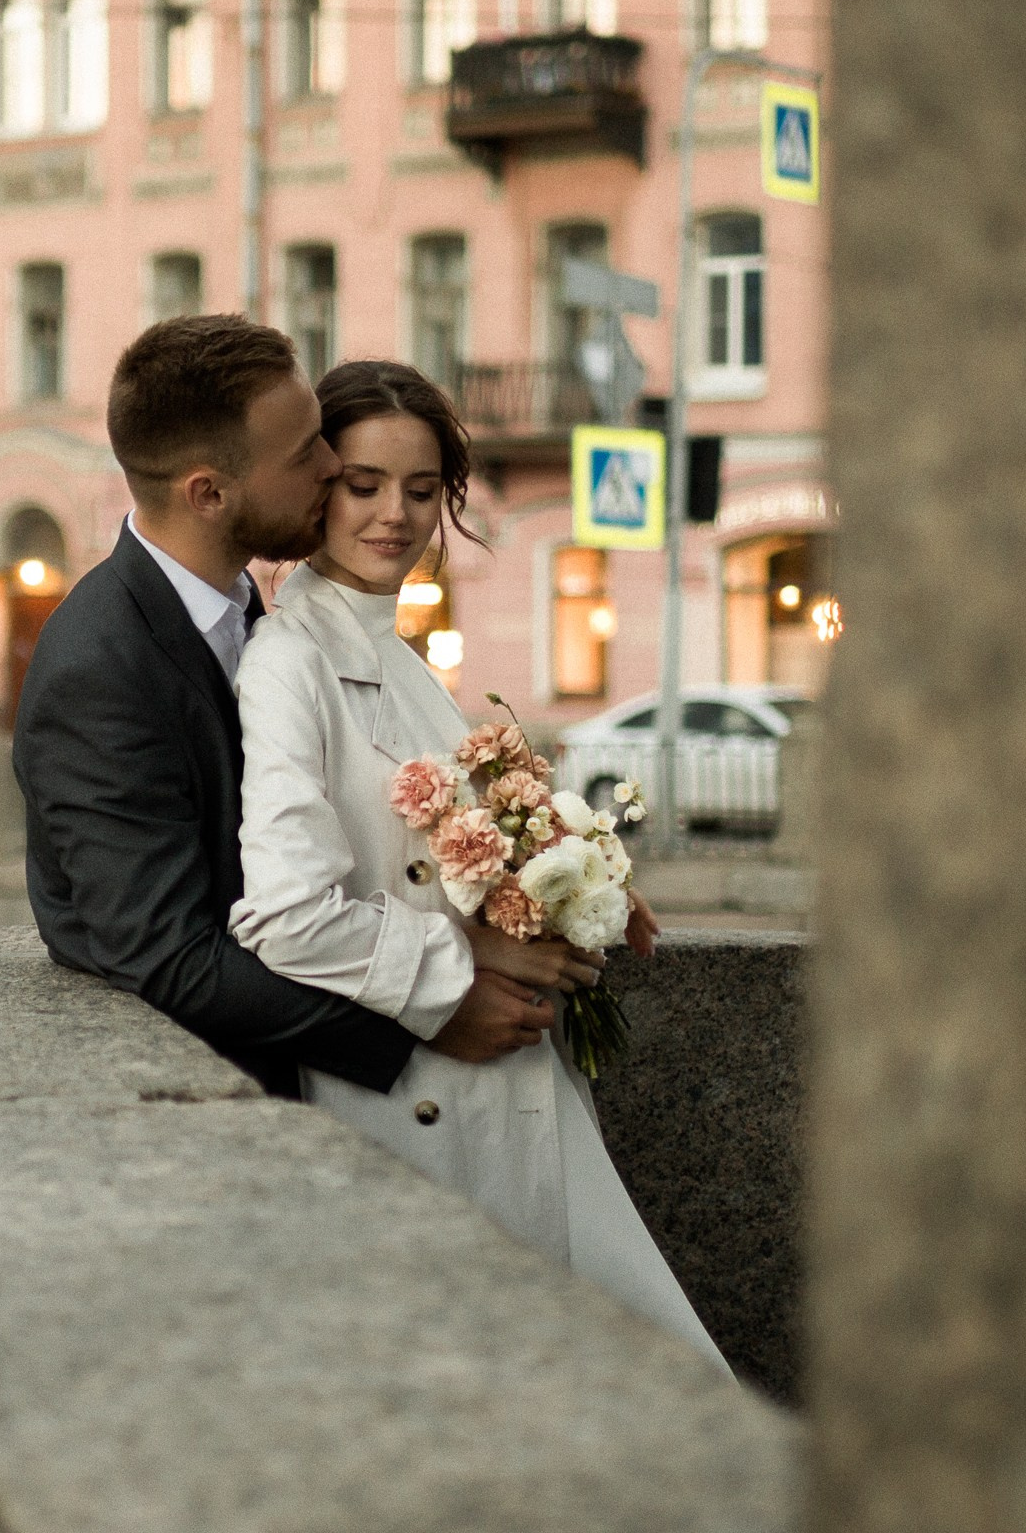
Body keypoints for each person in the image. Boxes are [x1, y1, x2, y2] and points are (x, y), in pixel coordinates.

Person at [227, 358, 730, 1367]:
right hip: (421, 1096)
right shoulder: (290, 660)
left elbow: (456, 848)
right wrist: (470, 968)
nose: (396, 516)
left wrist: (579, 883)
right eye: (365, 484)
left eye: (423, 491)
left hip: (501, 1090)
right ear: (318, 483)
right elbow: (286, 918)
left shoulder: (407, 657)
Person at [14, 316, 548, 1104]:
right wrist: (431, 1018)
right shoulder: (98, 669)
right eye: (306, 454)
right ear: (209, 492)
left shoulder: (247, 608)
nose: (332, 465)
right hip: (201, 1117)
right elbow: (170, 958)